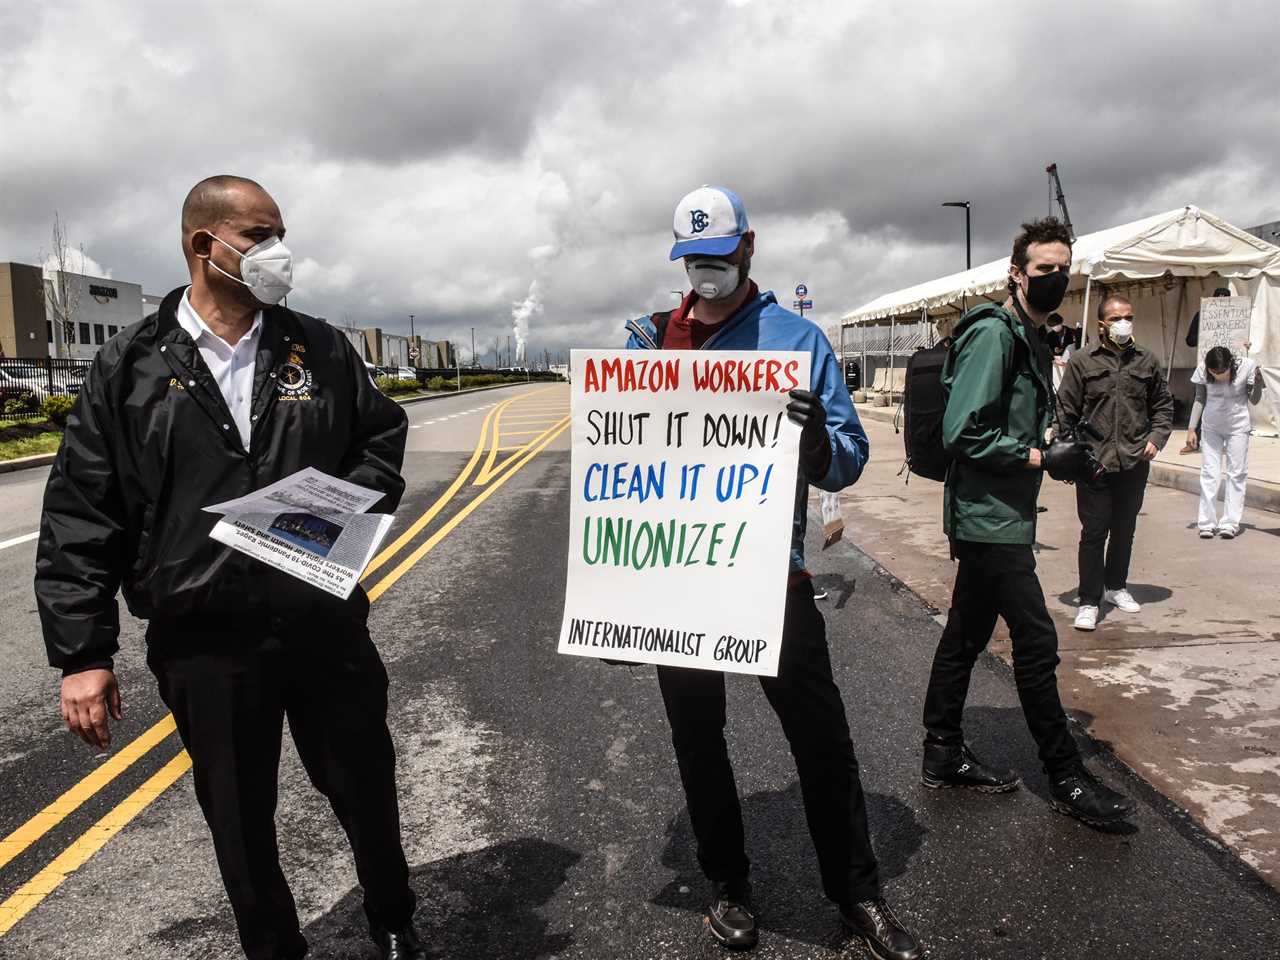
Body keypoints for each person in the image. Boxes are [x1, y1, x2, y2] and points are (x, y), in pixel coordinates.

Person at [35, 176, 424, 960]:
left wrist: (333, 509)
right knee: (239, 820)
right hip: (203, 640)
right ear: (203, 247)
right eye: (259, 235)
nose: (278, 252)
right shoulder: (131, 365)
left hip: (320, 620)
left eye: (280, 232)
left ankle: (393, 920)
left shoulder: (317, 345)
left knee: (364, 788)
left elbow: (379, 440)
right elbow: (83, 508)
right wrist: (83, 654)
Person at [624, 186, 921, 959]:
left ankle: (857, 894)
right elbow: (618, 463)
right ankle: (729, 886)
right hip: (683, 582)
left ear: (748, 248)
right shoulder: (650, 344)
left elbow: (849, 459)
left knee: (822, 742)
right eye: (694, 261)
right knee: (699, 741)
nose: (707, 273)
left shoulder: (797, 340)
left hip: (772, 581)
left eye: (719, 258)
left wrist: (817, 440)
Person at [921, 216, 1136, 827]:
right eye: (1045, 269)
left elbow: (1008, 423)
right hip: (986, 516)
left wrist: (1055, 448)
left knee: (965, 633)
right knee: (1037, 641)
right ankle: (1066, 776)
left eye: (1063, 269)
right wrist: (1041, 455)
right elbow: (962, 431)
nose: (1056, 278)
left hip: (1005, 512)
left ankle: (941, 749)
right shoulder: (995, 334)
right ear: (1017, 273)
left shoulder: (1031, 335)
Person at [1058, 293, 1174, 631]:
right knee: (1094, 532)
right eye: (1115, 318)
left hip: (1134, 460)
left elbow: (1163, 406)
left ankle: (1116, 587)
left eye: (1128, 317)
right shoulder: (1082, 361)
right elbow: (1066, 409)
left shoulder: (1147, 361)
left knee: (1125, 529)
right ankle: (1089, 600)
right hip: (1094, 462)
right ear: (1101, 324)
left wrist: (1156, 439)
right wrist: (1068, 450)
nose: (1123, 323)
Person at [1186, 344, 1264, 538]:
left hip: (1238, 427)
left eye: (1222, 371)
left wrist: (1258, 384)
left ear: (1231, 364)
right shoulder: (1203, 370)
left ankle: (1230, 522)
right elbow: (1199, 399)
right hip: (1211, 427)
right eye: (1214, 371)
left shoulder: (1246, 366)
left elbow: (1254, 400)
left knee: (1236, 473)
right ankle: (1207, 522)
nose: (1218, 374)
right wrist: (1191, 429)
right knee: (1209, 473)